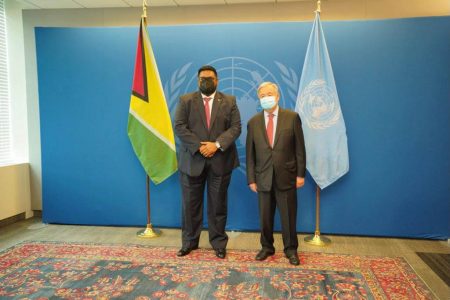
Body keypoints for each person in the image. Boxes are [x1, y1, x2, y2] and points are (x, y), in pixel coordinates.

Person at [174, 65, 241, 259]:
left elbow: (236, 127)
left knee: (218, 205)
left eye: (209, 78)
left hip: (220, 161)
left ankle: (219, 243)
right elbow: (179, 127)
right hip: (192, 162)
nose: (206, 81)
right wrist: (201, 146)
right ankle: (189, 243)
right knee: (189, 205)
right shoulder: (186, 100)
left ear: (217, 80)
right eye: (202, 78)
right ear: (197, 81)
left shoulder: (229, 101)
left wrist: (216, 145)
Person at [246, 82, 306, 266]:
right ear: (259, 99)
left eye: (269, 94)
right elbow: (250, 154)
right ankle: (266, 247)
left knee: (288, 216)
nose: (266, 98)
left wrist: (300, 174)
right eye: (262, 95)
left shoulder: (292, 117)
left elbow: (300, 149)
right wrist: (251, 179)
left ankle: (291, 250)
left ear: (278, 96)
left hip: (286, 176)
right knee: (265, 216)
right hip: (262, 178)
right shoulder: (253, 122)